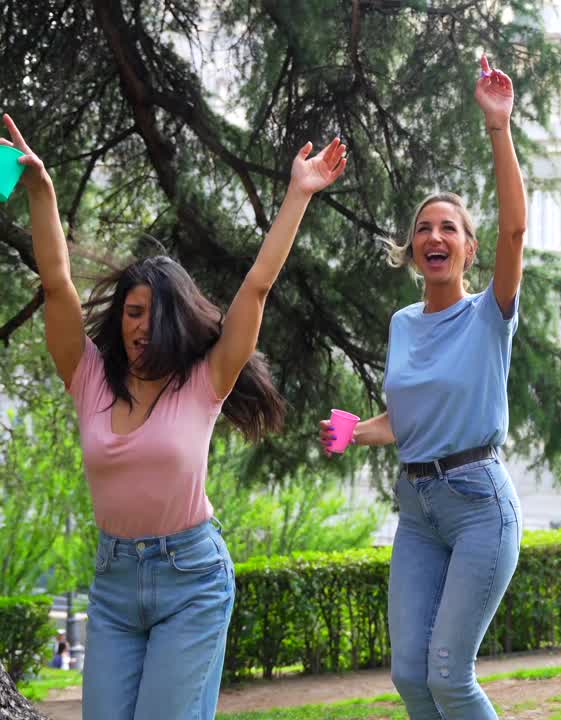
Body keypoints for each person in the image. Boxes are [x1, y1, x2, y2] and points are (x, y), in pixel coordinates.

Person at [3, 112, 345, 719]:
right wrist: (41, 190)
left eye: (152, 314)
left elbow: (257, 288)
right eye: (132, 312)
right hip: (112, 585)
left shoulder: (204, 380)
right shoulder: (89, 378)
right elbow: (57, 285)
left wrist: (299, 193)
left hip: (192, 581)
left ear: (176, 319)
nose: (139, 325)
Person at [318, 57, 525, 720]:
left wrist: (499, 127)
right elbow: (406, 417)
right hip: (419, 507)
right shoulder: (404, 323)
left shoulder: (491, 310)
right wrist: (359, 430)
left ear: (469, 247)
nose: (435, 236)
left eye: (450, 229)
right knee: (410, 675)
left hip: (478, 505)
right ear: (412, 250)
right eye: (424, 229)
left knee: (448, 677)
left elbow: (516, 229)